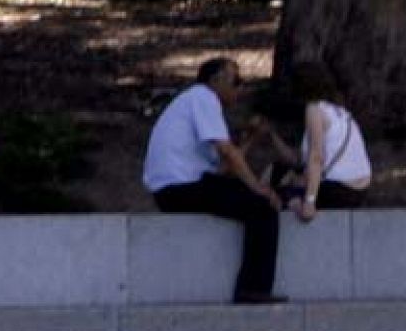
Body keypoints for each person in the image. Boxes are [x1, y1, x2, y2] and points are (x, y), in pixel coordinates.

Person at [142, 57, 287, 305]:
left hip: (175, 189)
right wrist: (259, 189)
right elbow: (227, 152)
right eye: (236, 81)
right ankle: (253, 288)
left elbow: (223, 168)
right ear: (216, 80)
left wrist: (251, 138)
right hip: (180, 188)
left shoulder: (194, 104)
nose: (240, 89)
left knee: (249, 197)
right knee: (262, 209)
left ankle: (252, 288)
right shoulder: (203, 97)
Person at [254, 61, 371, 221]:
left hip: (338, 189)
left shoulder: (314, 110)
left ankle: (295, 204)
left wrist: (310, 201)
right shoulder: (340, 112)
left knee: (271, 195)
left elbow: (316, 157)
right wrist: (272, 135)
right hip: (357, 189)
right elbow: (298, 160)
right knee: (278, 170)